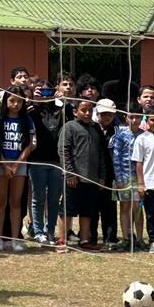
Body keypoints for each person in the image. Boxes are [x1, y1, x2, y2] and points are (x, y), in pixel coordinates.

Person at [58, 99, 106, 252]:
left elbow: (101, 153)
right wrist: (69, 174)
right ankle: (62, 241)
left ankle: (84, 240)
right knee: (67, 210)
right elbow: (63, 151)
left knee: (88, 211)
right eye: (83, 110)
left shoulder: (95, 128)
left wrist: (102, 176)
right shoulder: (69, 127)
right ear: (75, 112)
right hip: (74, 178)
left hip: (92, 178)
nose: (87, 113)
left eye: (90, 110)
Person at [0, 86, 36, 252]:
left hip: (20, 164)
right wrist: (5, 165)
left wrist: (17, 164)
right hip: (2, 164)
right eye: (12, 100)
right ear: (5, 101)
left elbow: (29, 145)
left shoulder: (27, 120)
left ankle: (15, 239)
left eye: (19, 101)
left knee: (16, 202)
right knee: (1, 202)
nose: (15, 104)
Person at [28, 80, 66, 246]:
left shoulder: (59, 110)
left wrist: (63, 101)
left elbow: (70, 117)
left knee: (54, 199)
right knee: (38, 198)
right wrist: (34, 101)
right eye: (41, 92)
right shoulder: (33, 110)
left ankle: (50, 231)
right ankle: (38, 231)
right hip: (37, 160)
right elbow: (27, 117)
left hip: (56, 161)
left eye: (48, 92)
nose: (45, 95)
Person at [111, 103, 145, 251]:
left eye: (138, 117)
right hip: (123, 177)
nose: (134, 120)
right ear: (126, 117)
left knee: (138, 208)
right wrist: (119, 179)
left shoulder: (144, 135)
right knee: (125, 207)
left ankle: (140, 238)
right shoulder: (120, 135)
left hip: (139, 178)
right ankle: (126, 237)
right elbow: (116, 158)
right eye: (131, 117)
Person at [134, 104, 154, 253]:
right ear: (147, 121)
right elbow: (139, 163)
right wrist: (141, 184)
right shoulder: (142, 139)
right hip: (150, 183)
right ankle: (153, 240)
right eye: (153, 120)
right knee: (151, 214)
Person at [93, 98, 119, 247]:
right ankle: (91, 236)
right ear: (98, 114)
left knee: (109, 207)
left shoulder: (118, 131)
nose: (107, 117)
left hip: (110, 175)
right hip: (93, 174)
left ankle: (110, 238)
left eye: (110, 114)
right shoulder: (92, 128)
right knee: (92, 207)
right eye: (103, 114)